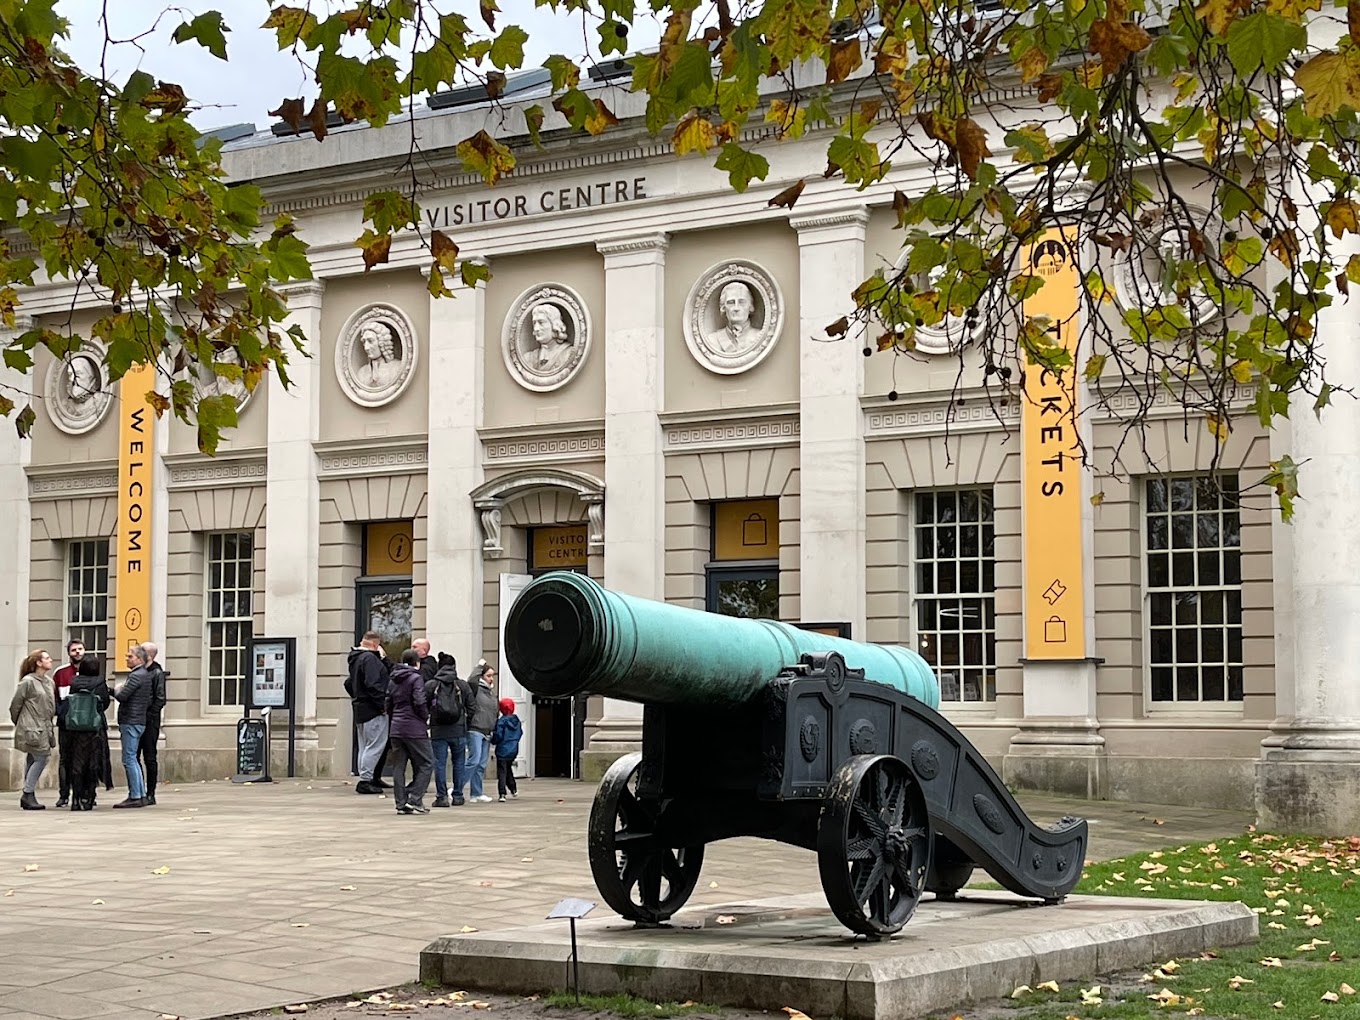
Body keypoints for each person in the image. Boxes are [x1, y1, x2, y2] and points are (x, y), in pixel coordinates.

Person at [386, 649, 434, 815]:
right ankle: (414, 798)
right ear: (417, 662)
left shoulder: (393, 678)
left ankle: (401, 803)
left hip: (396, 728)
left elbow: (388, 703)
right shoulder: (416, 678)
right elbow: (419, 701)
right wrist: (424, 717)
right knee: (427, 762)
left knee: (399, 766)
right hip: (414, 727)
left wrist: (394, 720)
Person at [64, 653, 111, 811]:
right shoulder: (100, 682)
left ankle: (76, 798)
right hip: (94, 727)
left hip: (76, 728)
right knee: (93, 763)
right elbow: (104, 703)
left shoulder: (75, 682)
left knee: (77, 762)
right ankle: (89, 798)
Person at [426, 653, 474, 808]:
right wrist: (465, 722)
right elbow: (472, 707)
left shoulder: (431, 685)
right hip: (458, 730)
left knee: (439, 763)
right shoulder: (462, 685)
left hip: (438, 730)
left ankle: (442, 797)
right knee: (459, 762)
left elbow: (422, 705)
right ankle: (458, 795)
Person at [10, 649, 56, 810]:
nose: (50, 660)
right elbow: (15, 705)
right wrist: (21, 723)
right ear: (38, 662)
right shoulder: (27, 682)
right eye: (47, 658)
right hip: (32, 726)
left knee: (33, 758)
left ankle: (29, 793)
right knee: (42, 757)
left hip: (45, 726)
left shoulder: (49, 682)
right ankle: (28, 792)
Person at [346, 631, 391, 794]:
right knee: (375, 745)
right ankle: (366, 779)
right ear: (375, 645)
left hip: (361, 708)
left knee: (365, 745)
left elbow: (349, 683)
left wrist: (357, 697)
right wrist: (382, 704)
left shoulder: (355, 659)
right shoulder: (370, 659)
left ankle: (365, 776)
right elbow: (373, 684)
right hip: (373, 709)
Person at [111, 645, 155, 808]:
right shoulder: (144, 675)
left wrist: (115, 690)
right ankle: (140, 793)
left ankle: (135, 794)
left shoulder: (137, 676)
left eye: (130, 656)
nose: (127, 658)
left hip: (131, 720)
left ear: (139, 659)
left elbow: (123, 696)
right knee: (133, 759)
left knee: (129, 758)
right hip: (138, 720)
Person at [51, 638, 84, 808]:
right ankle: (64, 794)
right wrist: (61, 713)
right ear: (69, 653)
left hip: (84, 724)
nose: (77, 652)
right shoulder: (61, 672)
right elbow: (54, 697)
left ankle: (84, 793)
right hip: (66, 722)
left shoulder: (91, 670)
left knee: (83, 759)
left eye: (80, 649)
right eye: (74, 650)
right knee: (65, 759)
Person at [463, 661, 498, 804]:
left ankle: (476, 793)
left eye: (492, 676)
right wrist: (479, 667)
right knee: (474, 760)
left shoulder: (490, 693)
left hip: (487, 730)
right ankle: (457, 788)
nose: (491, 679)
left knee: (481, 764)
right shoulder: (476, 688)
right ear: (482, 677)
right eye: (488, 676)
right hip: (475, 729)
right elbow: (471, 680)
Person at [138, 642, 168, 806]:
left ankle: (150, 792)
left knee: (149, 756)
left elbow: (160, 699)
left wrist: (149, 715)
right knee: (135, 756)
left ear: (148, 655)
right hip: (138, 719)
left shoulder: (156, 672)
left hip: (149, 721)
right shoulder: (140, 672)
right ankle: (139, 790)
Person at [704, 281, 762, 355]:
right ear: (723, 308)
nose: (736, 308)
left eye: (742, 302)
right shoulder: (712, 340)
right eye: (731, 302)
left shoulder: (759, 336)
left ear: (750, 306)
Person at [528, 303, 575, 375]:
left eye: (541, 322)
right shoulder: (528, 358)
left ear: (555, 325)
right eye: (534, 323)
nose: (536, 328)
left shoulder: (569, 354)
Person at [491, 698, 522, 803]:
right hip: (513, 749)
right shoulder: (517, 721)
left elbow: (499, 735)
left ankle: (502, 792)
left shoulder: (501, 721)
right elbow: (519, 733)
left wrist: (493, 740)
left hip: (502, 749)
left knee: (502, 771)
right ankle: (513, 788)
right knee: (508, 768)